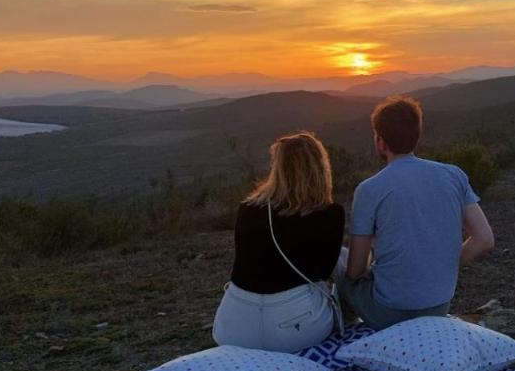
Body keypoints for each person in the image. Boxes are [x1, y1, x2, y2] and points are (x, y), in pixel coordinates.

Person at [340, 96, 494, 330]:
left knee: (340, 271)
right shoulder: (454, 175)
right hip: (438, 308)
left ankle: (346, 332)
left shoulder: (370, 189)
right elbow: (484, 239)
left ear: (380, 142)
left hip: (388, 314)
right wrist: (445, 264)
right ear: (416, 137)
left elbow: (356, 270)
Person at [212, 131, 345, 352]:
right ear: (320, 168)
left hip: (233, 328)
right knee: (346, 257)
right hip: (295, 329)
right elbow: (323, 272)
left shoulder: (248, 209)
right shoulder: (330, 214)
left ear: (278, 168)